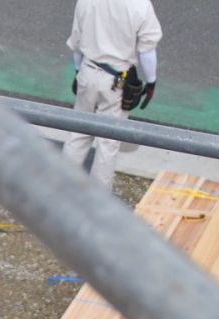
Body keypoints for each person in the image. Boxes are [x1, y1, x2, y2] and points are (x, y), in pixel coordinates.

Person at [61, 0, 163, 189]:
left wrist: (78, 72)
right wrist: (151, 82)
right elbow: (147, 51)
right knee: (108, 142)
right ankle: (97, 202)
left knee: (77, 133)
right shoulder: (140, 5)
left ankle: (60, 191)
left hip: (88, 70)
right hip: (116, 81)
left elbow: (76, 41)